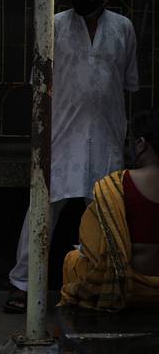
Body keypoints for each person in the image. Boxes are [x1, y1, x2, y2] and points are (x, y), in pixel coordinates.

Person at [5, 0, 139, 313]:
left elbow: (127, 83)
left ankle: (91, 286)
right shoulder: (54, 26)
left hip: (107, 136)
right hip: (60, 136)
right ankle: (22, 284)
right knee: (42, 212)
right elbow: (39, 84)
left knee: (103, 217)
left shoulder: (123, 28)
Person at [60, 109, 159, 311]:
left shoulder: (117, 185)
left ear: (141, 144)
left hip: (130, 290)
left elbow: (94, 250)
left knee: (73, 260)